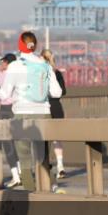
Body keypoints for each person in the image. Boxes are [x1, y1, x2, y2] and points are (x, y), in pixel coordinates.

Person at [0, 32, 63, 191]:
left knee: (24, 156)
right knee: (42, 155)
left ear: (20, 45)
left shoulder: (15, 66)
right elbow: (57, 93)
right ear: (35, 45)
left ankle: (30, 191)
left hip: (22, 114)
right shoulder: (45, 65)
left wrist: (3, 94)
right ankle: (50, 186)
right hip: (44, 113)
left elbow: (4, 93)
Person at [0, 53, 22, 188]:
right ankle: (22, 171)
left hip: (5, 109)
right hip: (18, 109)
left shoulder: (1, 75)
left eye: (3, 62)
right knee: (20, 142)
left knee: (7, 143)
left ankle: (16, 176)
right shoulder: (21, 74)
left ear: (6, 62)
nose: (1, 64)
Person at [41, 49, 67, 180]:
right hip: (57, 106)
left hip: (44, 106)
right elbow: (63, 91)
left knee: (43, 138)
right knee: (57, 138)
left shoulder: (40, 73)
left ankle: (45, 164)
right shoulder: (58, 73)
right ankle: (60, 166)